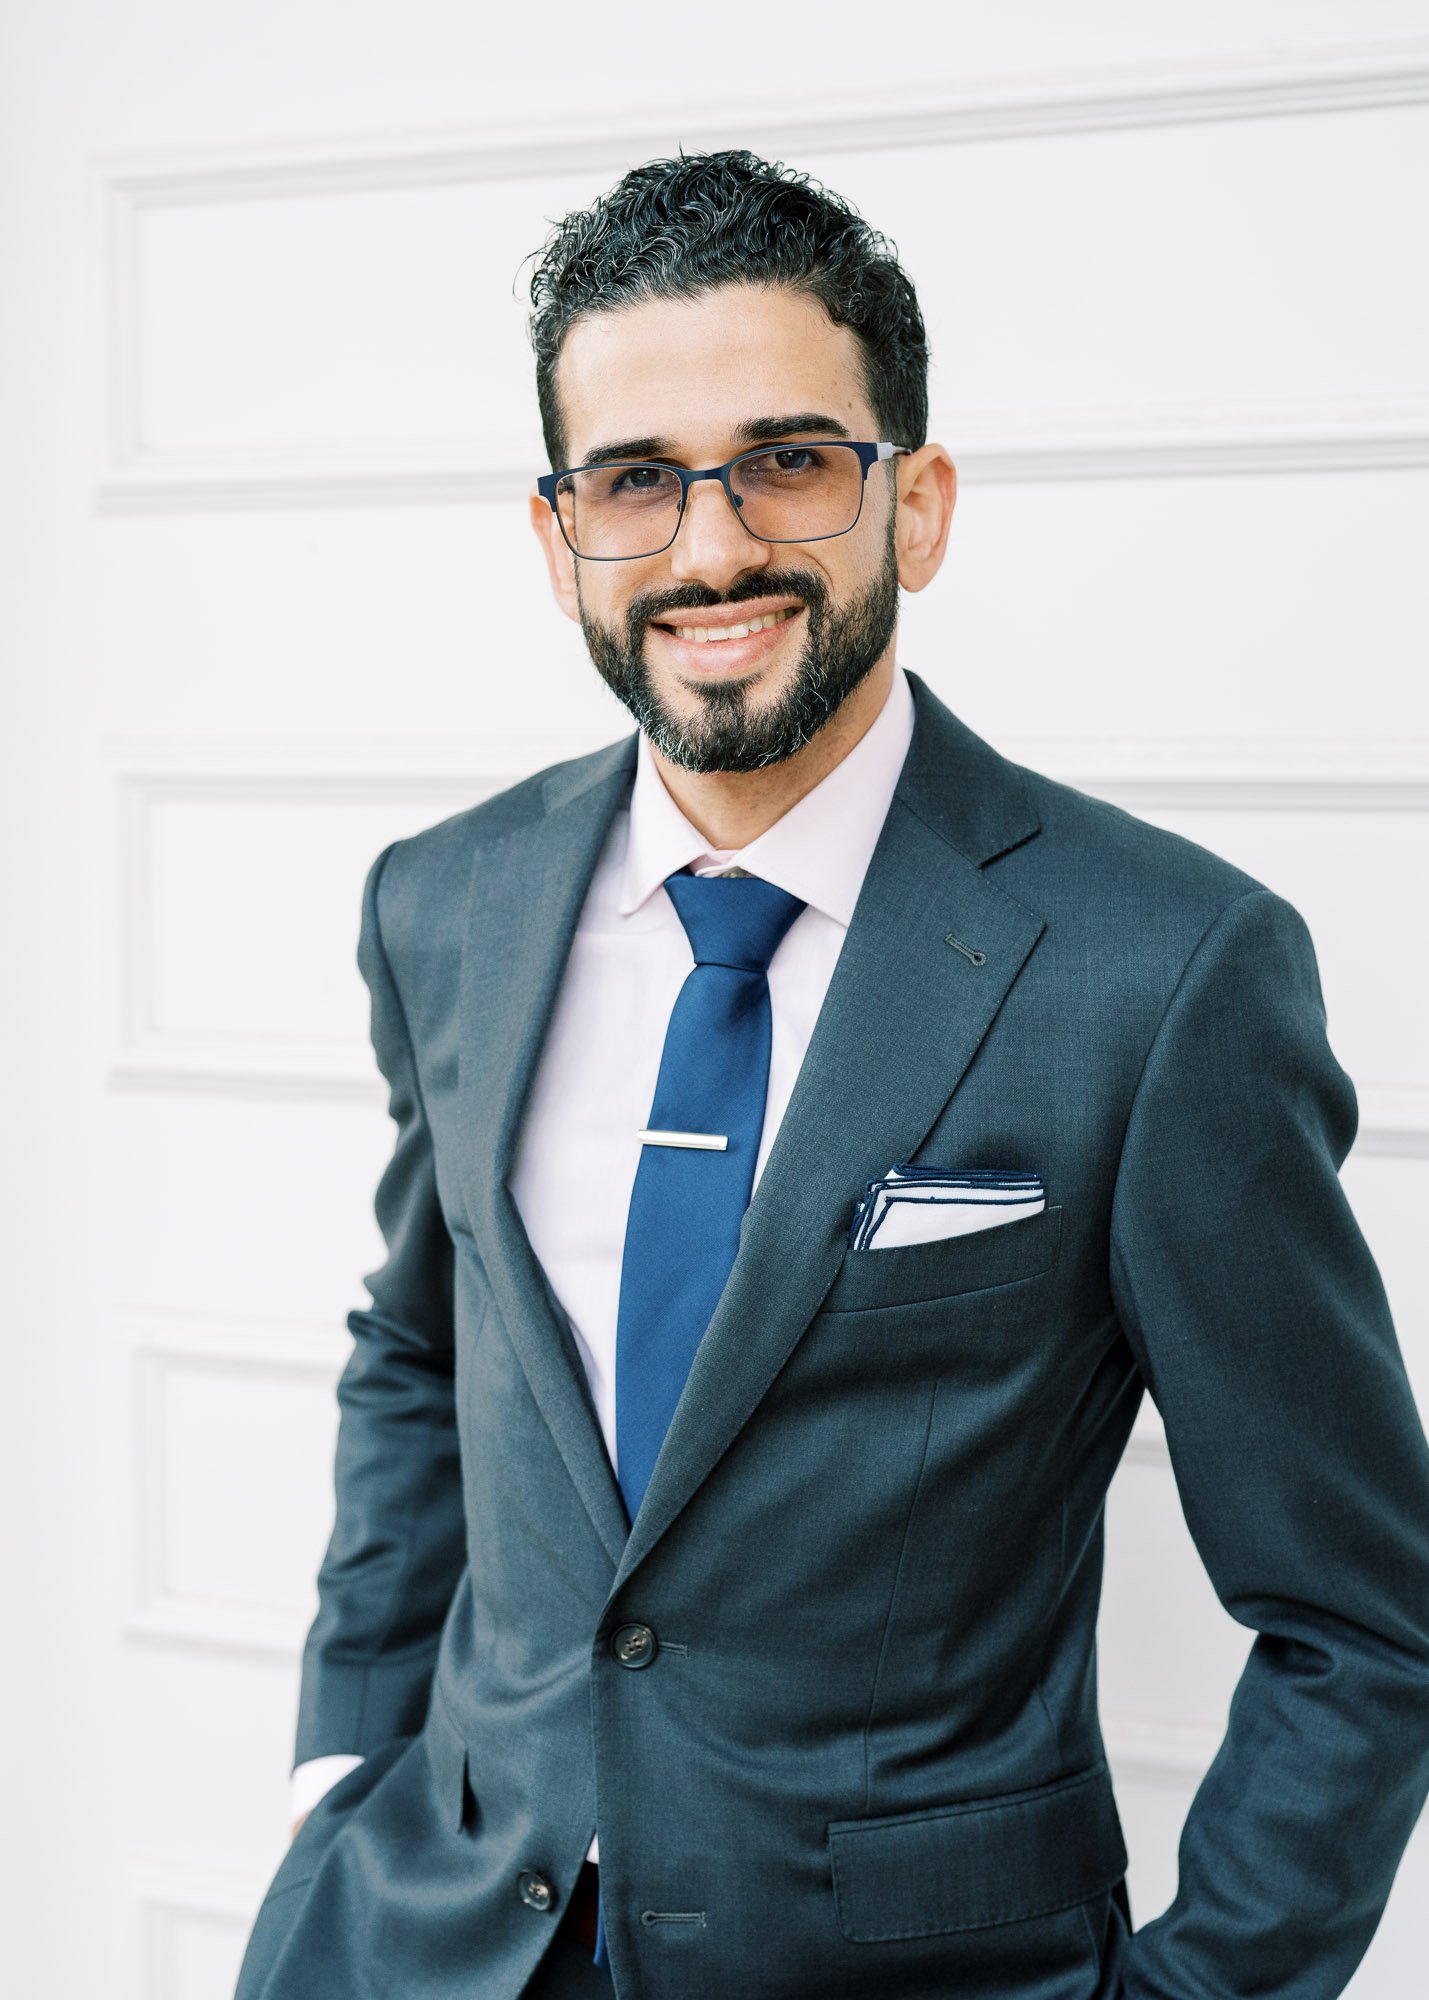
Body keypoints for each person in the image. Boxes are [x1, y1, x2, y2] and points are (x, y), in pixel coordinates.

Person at [234, 150, 1429, 2000]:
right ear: (559, 540)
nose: (711, 546)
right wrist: (343, 1766)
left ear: (916, 503)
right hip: (419, 1944)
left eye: (786, 460)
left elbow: (1364, 1618)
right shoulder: (442, 904)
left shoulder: (1167, 970)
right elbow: (421, 1347)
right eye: (635, 481)